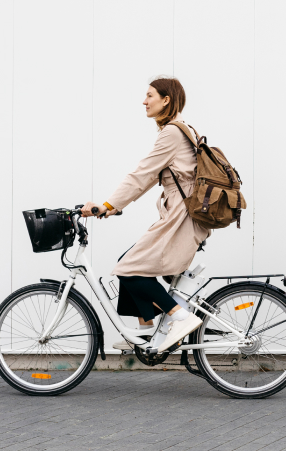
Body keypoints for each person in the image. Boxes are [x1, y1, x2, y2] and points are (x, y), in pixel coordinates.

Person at [81, 76, 211, 352]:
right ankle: (145, 331)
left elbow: (142, 174)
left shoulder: (173, 133)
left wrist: (105, 205)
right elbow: (151, 178)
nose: (144, 101)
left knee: (129, 268)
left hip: (182, 219)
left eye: (149, 95)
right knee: (127, 262)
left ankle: (181, 316)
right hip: (180, 217)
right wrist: (114, 206)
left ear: (166, 100)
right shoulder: (181, 131)